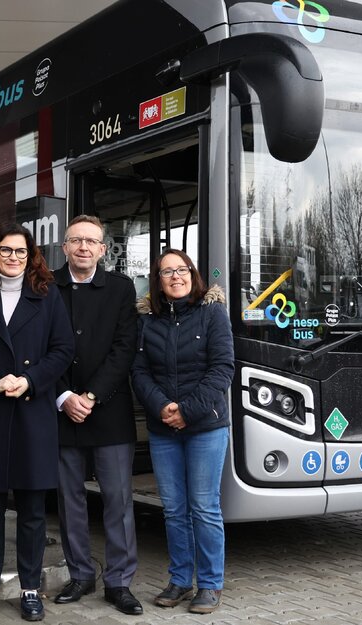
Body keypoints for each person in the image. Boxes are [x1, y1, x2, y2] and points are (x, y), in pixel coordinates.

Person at [0, 223, 74, 622]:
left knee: (32, 510)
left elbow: (62, 350)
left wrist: (31, 379)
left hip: (31, 413)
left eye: (21, 252)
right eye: (5, 250)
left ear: (31, 255)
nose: (13, 258)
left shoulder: (47, 295)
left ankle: (29, 588)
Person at [131, 249, 234, 615]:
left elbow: (222, 369)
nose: (176, 277)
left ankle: (209, 584)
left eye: (181, 270)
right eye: (166, 272)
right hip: (164, 429)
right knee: (174, 510)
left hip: (205, 426)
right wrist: (162, 408)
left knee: (204, 507)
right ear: (157, 281)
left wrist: (186, 412)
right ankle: (179, 580)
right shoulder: (148, 320)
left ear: (192, 273)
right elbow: (139, 372)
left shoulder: (212, 314)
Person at [50, 216, 142, 615]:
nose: (84, 247)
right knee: (69, 500)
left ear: (104, 249)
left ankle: (119, 582)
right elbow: (35, 348)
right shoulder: (45, 286)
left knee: (118, 500)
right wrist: (64, 396)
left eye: (92, 241)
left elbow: (125, 349)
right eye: (76, 241)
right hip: (59, 410)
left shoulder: (121, 289)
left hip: (108, 409)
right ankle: (81, 575)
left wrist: (89, 395)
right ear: (65, 247)